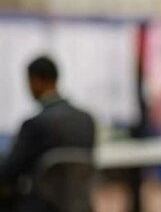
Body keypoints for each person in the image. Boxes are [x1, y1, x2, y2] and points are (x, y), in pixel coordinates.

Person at [0, 56, 95, 211]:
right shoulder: (86, 120)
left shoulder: (35, 125)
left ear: (36, 81)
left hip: (40, 206)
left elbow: (10, 172)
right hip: (79, 205)